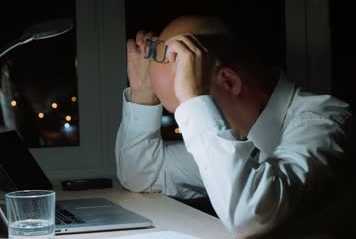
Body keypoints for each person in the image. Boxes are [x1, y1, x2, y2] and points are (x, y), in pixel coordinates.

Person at [115, 15, 355, 238]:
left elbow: (249, 217)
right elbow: (141, 175)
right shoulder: (234, 133)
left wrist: (195, 104)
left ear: (229, 81)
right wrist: (142, 97)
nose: (188, 122)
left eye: (187, 108)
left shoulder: (324, 123)